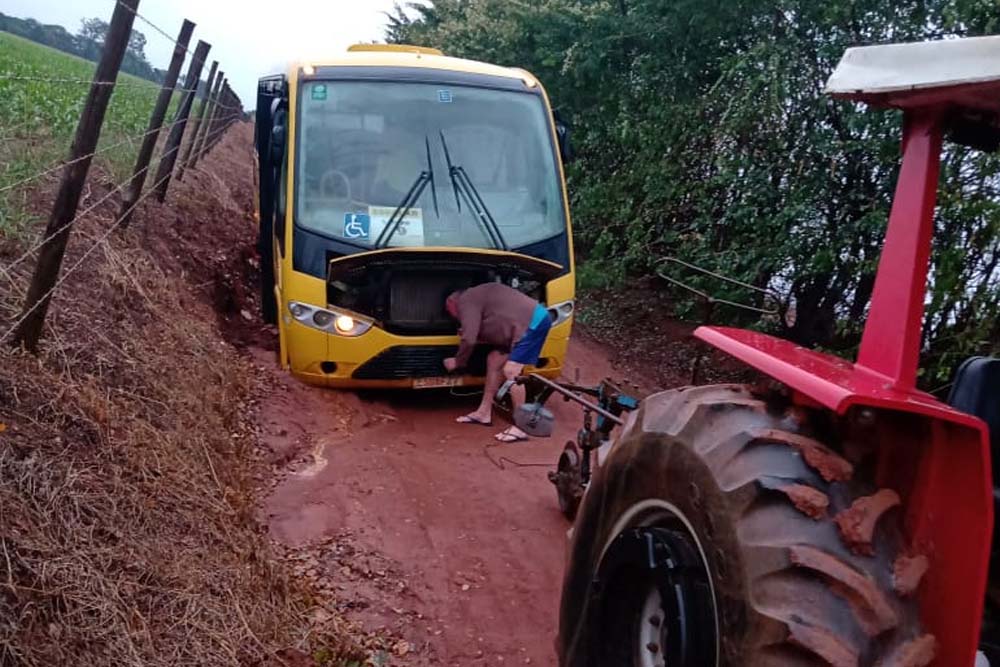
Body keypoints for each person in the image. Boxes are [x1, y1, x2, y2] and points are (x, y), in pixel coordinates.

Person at [443, 283, 552, 442]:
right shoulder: (477, 295)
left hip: (534, 322)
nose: (453, 316)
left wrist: (458, 361)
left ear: (451, 302)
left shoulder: (465, 300)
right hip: (524, 322)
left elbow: (469, 339)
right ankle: (483, 412)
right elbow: (496, 323)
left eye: (450, 312)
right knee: (494, 360)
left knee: (511, 372)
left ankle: (521, 427)